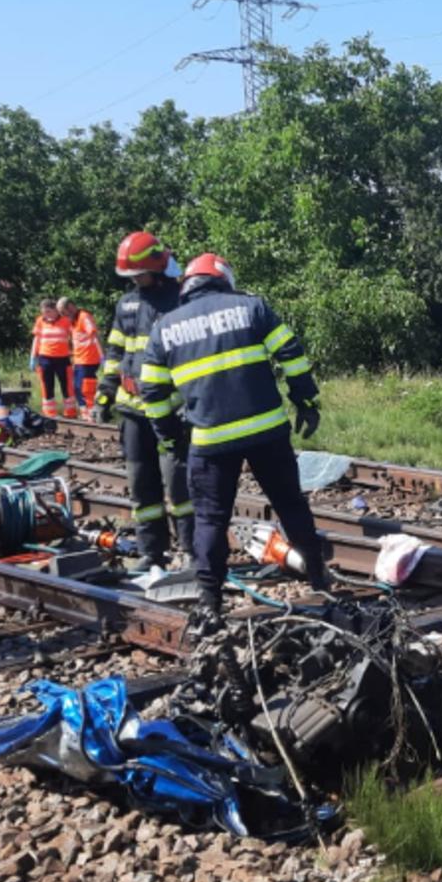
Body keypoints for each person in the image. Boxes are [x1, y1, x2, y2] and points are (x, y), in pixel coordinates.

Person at [139, 253, 323, 620]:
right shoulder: (251, 308)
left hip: (209, 443)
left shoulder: (165, 327)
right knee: (290, 505)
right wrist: (305, 401)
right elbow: (290, 352)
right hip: (267, 432)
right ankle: (320, 581)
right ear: (224, 279)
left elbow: (152, 392)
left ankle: (210, 601)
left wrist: (172, 438)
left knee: (210, 520)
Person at [98, 232, 194, 567]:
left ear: (156, 266)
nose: (135, 281)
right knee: (142, 484)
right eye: (130, 276)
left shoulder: (182, 300)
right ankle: (152, 552)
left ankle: (193, 551)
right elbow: (115, 350)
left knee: (179, 484)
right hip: (133, 409)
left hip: (171, 408)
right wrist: (106, 390)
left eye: (138, 274)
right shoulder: (127, 303)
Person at [29, 299, 75, 419]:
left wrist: (76, 353)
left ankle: (70, 413)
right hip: (45, 359)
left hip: (63, 359)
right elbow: (36, 339)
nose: (45, 314)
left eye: (48, 311)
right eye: (44, 312)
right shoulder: (40, 321)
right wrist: (33, 357)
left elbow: (75, 336)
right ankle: (50, 413)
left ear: (56, 310)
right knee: (47, 386)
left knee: (67, 386)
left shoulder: (65, 321)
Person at [59, 298, 103, 419]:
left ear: (71, 307)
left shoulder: (84, 317)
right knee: (76, 387)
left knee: (86, 388)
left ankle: (92, 414)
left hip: (89, 359)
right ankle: (86, 414)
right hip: (79, 360)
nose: (64, 315)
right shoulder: (73, 321)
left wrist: (102, 355)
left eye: (64, 312)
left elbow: (94, 336)